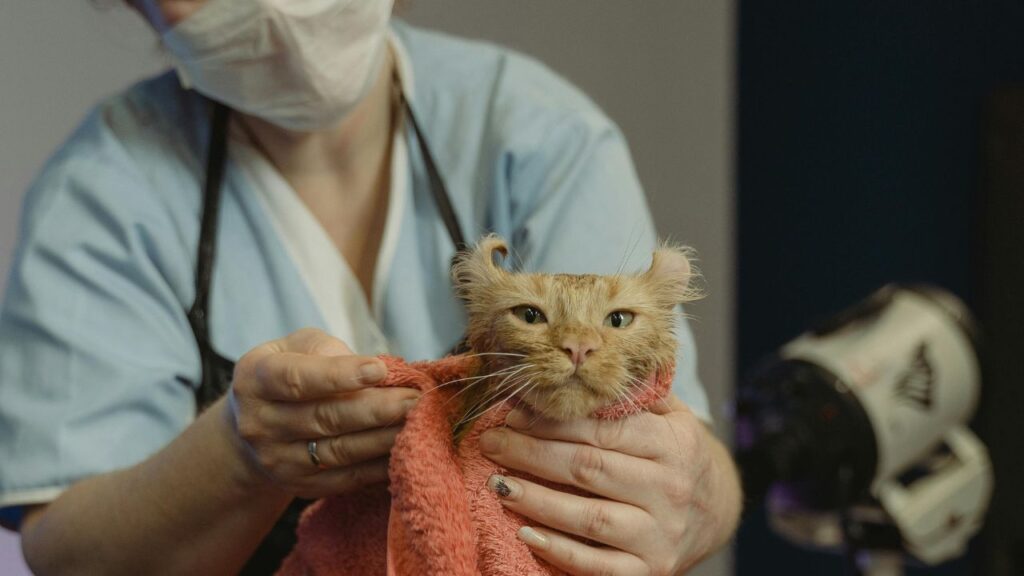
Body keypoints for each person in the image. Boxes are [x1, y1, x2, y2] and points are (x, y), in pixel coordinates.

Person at [0, 0, 742, 574]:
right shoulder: (104, 192)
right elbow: (68, 552)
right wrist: (237, 458)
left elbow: (670, 436)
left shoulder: (542, 133)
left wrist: (701, 495)